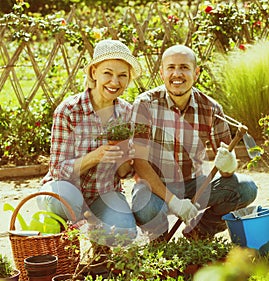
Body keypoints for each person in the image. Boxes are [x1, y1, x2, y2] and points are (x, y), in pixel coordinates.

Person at [131, 44, 258, 241]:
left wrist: (229, 163)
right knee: (145, 208)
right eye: (171, 67)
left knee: (246, 188)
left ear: (196, 72)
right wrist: (174, 202)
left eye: (184, 67)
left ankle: (200, 232)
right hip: (153, 186)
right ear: (162, 73)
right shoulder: (145, 104)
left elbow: (225, 168)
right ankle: (159, 241)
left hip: (194, 184)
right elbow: (139, 162)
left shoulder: (211, 108)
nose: (177, 74)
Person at [38, 39, 142, 246]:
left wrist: (123, 156)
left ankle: (100, 248)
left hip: (104, 193)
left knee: (125, 233)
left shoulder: (127, 112)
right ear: (94, 72)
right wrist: (95, 156)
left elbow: (123, 174)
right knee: (67, 201)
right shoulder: (69, 111)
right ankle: (66, 248)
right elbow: (58, 169)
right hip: (64, 188)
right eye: (108, 73)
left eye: (122, 76)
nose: (115, 82)